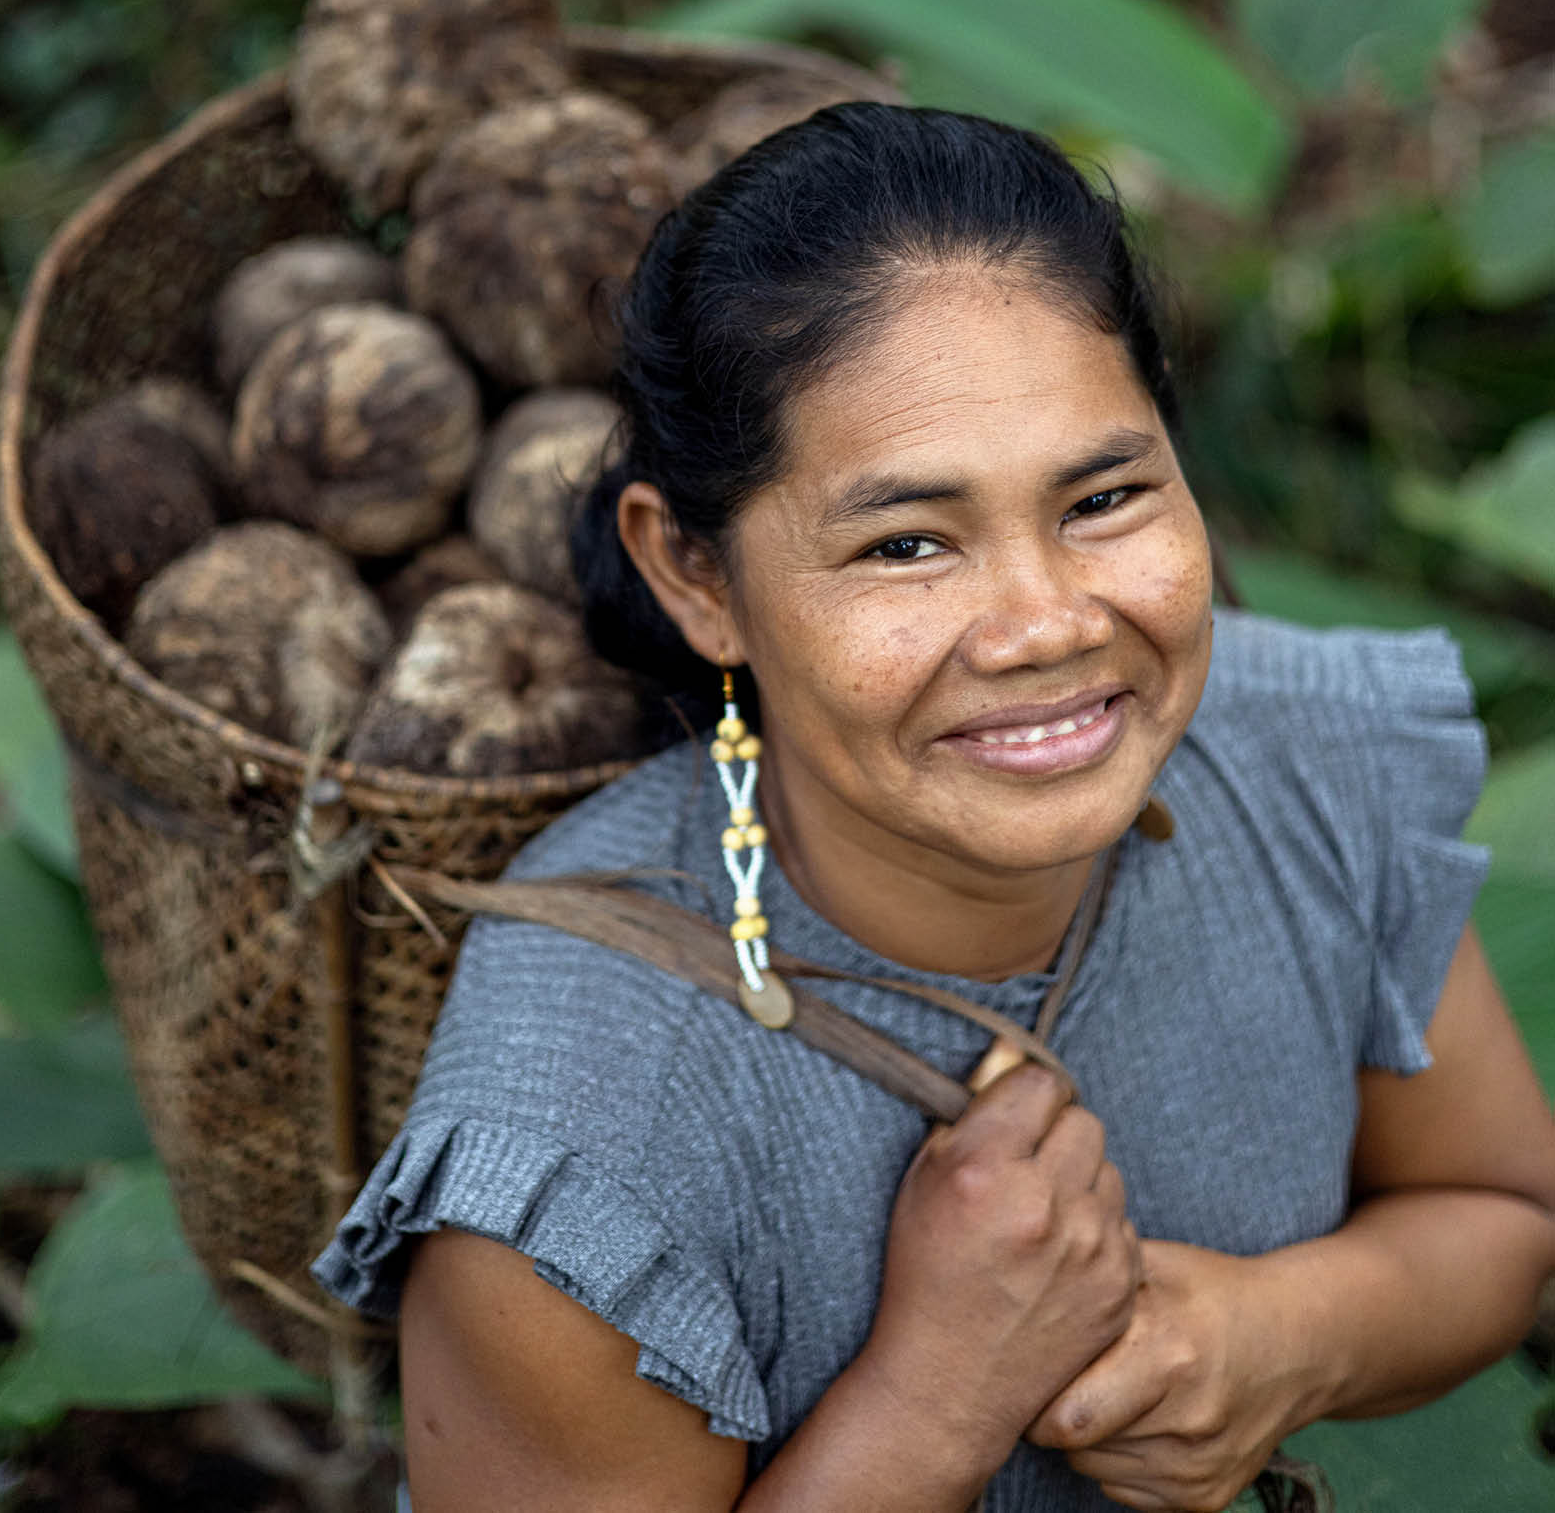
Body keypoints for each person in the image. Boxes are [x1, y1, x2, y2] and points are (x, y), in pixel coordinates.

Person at [312, 103, 1555, 1512]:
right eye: (906, 542)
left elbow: (1498, 1214)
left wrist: (1282, 1340)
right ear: (696, 576)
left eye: (1102, 498)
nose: (1044, 624)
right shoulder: (582, 1149)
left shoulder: (1297, 758)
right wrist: (931, 1405)